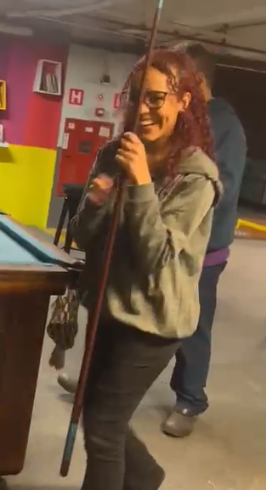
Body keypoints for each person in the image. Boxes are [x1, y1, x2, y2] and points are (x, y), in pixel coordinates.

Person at [71, 49, 221, 490]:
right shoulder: (114, 153)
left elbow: (156, 256)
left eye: (156, 98)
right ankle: (145, 477)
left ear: (184, 102)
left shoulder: (196, 177)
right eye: (136, 97)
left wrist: (138, 183)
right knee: (95, 411)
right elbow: (83, 235)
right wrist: (96, 202)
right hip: (109, 306)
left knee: (103, 428)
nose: (143, 109)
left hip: (154, 321)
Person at [162, 42, 247, 438]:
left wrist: (182, 198)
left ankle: (190, 400)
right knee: (146, 314)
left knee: (193, 326)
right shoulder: (182, 117)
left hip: (205, 247)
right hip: (168, 237)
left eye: (178, 77)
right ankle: (108, 383)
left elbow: (223, 187)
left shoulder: (225, 125)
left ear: (197, 80)